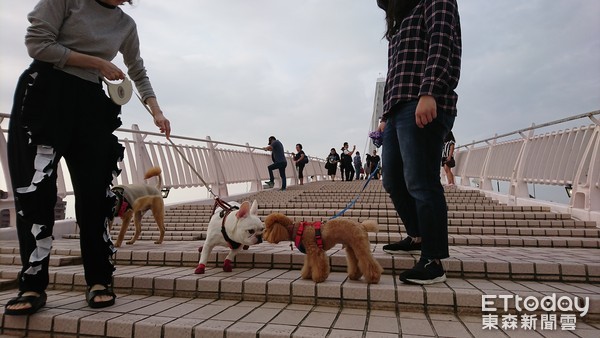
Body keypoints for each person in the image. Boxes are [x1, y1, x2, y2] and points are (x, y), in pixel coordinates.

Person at [5, 0, 172, 315]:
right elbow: (37, 44)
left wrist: (157, 111)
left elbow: (137, 69)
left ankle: (99, 280)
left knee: (96, 196)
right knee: (36, 193)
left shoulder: (125, 25)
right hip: (44, 94)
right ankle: (31, 284)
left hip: (92, 105)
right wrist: (97, 63)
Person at [377, 0, 461, 285]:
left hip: (423, 99)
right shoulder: (400, 20)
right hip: (397, 108)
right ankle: (417, 235)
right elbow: (395, 72)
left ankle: (434, 259)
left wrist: (430, 92)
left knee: (421, 182)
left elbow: (442, 43)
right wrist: (386, 115)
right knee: (392, 179)